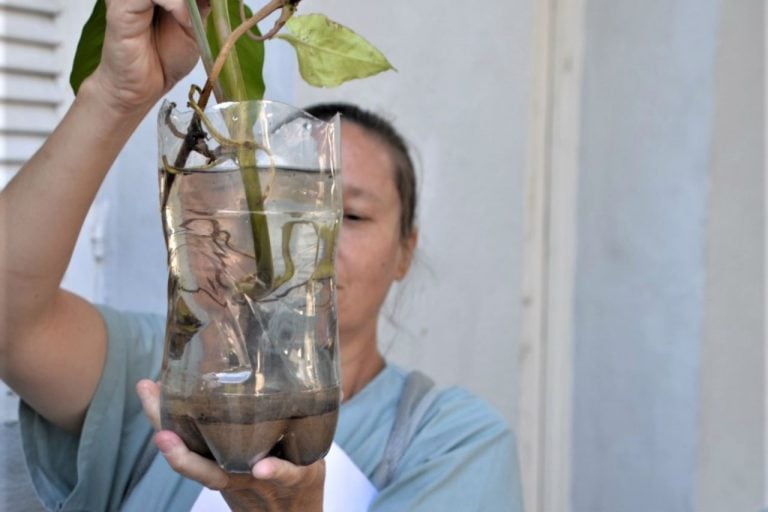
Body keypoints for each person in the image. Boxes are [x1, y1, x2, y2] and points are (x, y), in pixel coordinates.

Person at [0, 0, 523, 510]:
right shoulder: (160, 378)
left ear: (406, 250)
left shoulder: (450, 440)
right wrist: (116, 96)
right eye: (271, 212)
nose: (304, 242)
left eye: (354, 217)